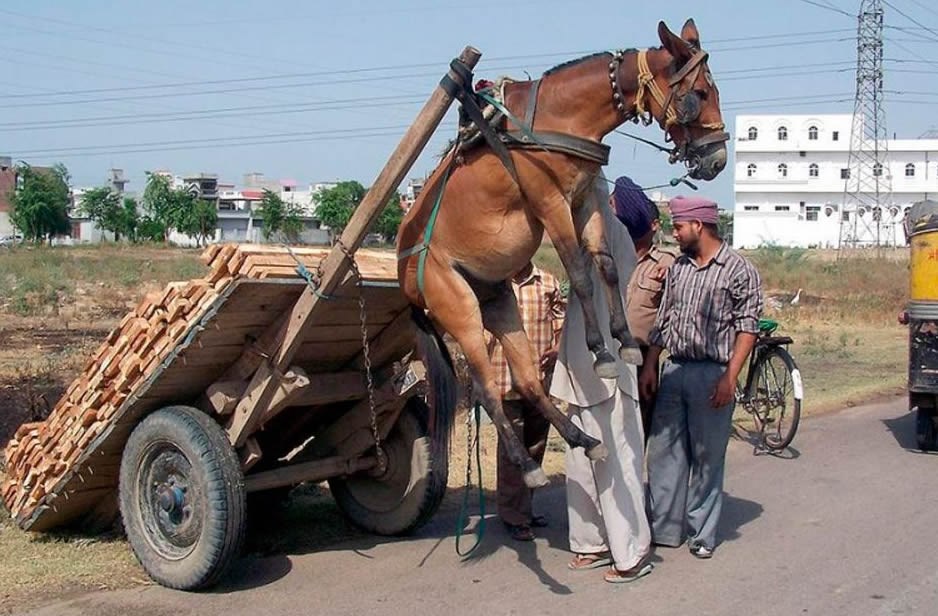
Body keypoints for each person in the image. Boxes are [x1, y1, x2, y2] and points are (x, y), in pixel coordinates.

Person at [639, 195, 763, 560]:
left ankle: (702, 533)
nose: (674, 233)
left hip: (713, 373)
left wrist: (730, 376)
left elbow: (747, 328)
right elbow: (665, 319)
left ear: (699, 225)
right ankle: (664, 528)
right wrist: (651, 365)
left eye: (678, 226)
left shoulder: (739, 269)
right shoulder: (678, 267)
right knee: (663, 454)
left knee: (708, 457)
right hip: (675, 370)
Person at [550, 175, 652, 584]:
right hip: (580, 370)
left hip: (609, 373)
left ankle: (632, 552)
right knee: (579, 463)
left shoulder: (614, 233)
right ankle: (590, 543)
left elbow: (590, 185)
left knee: (618, 462)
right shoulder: (591, 237)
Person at [487, 261, 566, 542]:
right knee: (513, 452)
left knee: (535, 446)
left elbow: (560, 317)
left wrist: (558, 346)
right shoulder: (492, 282)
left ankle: (525, 508)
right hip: (503, 380)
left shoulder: (547, 282)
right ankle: (513, 515)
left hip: (539, 383)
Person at [609, 176, 676, 438]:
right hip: (609, 353)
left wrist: (650, 365)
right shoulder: (611, 257)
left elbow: (666, 319)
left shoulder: (666, 263)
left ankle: (633, 479)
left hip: (642, 357)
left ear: (655, 225)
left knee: (637, 430)